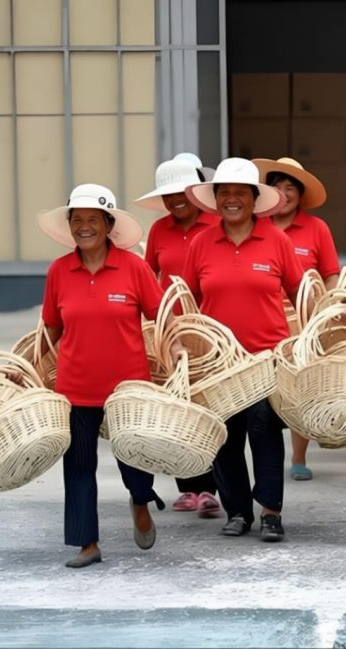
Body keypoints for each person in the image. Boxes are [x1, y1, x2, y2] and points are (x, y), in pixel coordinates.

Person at [36, 183, 166, 568]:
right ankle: (86, 543)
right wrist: (25, 365)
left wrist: (177, 351)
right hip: (74, 388)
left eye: (93, 219)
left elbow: (162, 317)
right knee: (78, 466)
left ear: (109, 224)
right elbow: (50, 330)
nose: (85, 227)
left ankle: (140, 499)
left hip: (128, 385)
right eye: (78, 220)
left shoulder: (134, 268)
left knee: (134, 457)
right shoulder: (59, 271)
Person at [181, 158, 304, 542]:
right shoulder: (201, 243)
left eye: (239, 193)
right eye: (224, 193)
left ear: (254, 199)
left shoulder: (276, 240)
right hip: (218, 364)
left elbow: (301, 293)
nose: (231, 199)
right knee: (225, 438)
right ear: (215, 199)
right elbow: (186, 301)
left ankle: (271, 512)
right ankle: (237, 511)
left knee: (265, 432)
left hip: (266, 359)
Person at [136, 159, 222, 518]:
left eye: (181, 192)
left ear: (195, 192)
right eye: (168, 195)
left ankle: (213, 487)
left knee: (212, 407)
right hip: (170, 330)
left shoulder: (216, 224)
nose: (176, 200)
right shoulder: (158, 231)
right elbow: (147, 274)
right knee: (180, 406)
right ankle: (188, 487)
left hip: (212, 330)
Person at [253, 157, 342, 483]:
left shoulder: (317, 229)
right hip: (263, 320)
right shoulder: (257, 228)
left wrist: (325, 310)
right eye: (277, 186)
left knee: (296, 389)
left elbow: (331, 275)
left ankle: (298, 456)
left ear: (300, 195)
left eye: (290, 188)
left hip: (303, 322)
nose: (283, 193)